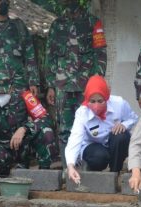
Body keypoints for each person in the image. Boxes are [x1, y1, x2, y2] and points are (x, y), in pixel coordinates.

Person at [45, 0, 107, 168]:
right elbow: (50, 55)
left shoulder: (93, 23)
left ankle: (89, 169)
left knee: (89, 127)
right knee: (64, 130)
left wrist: (97, 83)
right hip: (62, 87)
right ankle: (69, 170)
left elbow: (100, 53)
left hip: (86, 87)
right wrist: (50, 85)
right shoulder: (57, 25)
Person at [0, 72, 56, 184]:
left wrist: (24, 128)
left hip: (24, 146)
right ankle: (5, 178)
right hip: (0, 147)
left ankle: (44, 174)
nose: (0, 96)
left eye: (3, 92)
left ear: (11, 88)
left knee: (46, 132)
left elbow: (45, 119)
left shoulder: (25, 98)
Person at [65, 75, 138, 184]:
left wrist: (124, 125)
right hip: (92, 145)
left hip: (114, 142)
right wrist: (70, 166)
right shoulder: (82, 113)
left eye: (100, 101)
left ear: (107, 98)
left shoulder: (119, 103)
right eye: (92, 101)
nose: (96, 105)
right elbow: (75, 138)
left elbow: (133, 118)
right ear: (87, 99)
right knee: (99, 157)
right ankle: (94, 174)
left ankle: (114, 173)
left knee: (121, 137)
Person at [0, 0, 39, 101]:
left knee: (19, 116)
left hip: (18, 89)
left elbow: (30, 56)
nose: (2, 2)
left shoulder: (19, 28)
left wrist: (33, 82)